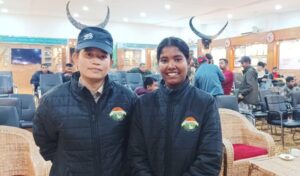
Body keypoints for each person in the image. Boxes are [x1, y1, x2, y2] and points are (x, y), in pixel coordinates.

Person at [33, 27, 136, 176]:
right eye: (89, 55)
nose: (95, 61)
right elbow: (45, 144)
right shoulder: (51, 101)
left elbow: (133, 142)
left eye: (102, 56)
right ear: (75, 58)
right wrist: (66, 165)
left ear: (110, 62)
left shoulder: (127, 98)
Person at [128, 37, 223, 176]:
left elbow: (210, 157)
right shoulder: (143, 104)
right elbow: (136, 154)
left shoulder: (205, 102)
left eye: (178, 59)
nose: (171, 65)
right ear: (158, 64)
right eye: (164, 60)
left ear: (189, 62)